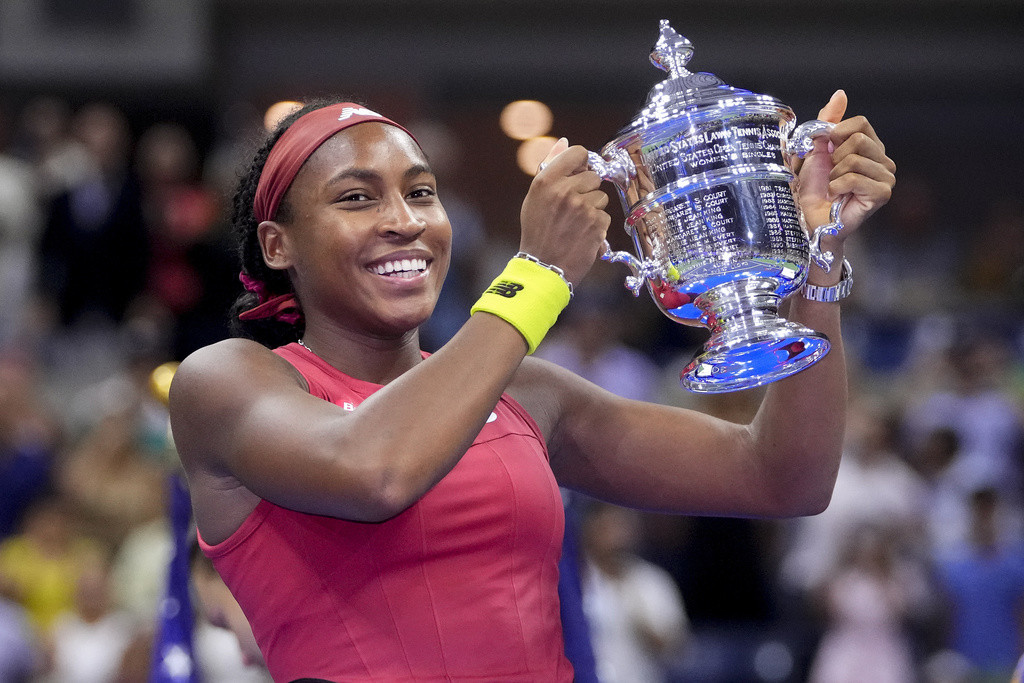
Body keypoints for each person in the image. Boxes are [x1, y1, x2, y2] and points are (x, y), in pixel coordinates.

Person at [169, 93, 895, 681]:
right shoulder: (226, 381)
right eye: (357, 198)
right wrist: (538, 275)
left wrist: (817, 259)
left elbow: (784, 478)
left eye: (421, 193)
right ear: (277, 244)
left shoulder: (528, 393)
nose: (403, 221)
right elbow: (375, 469)